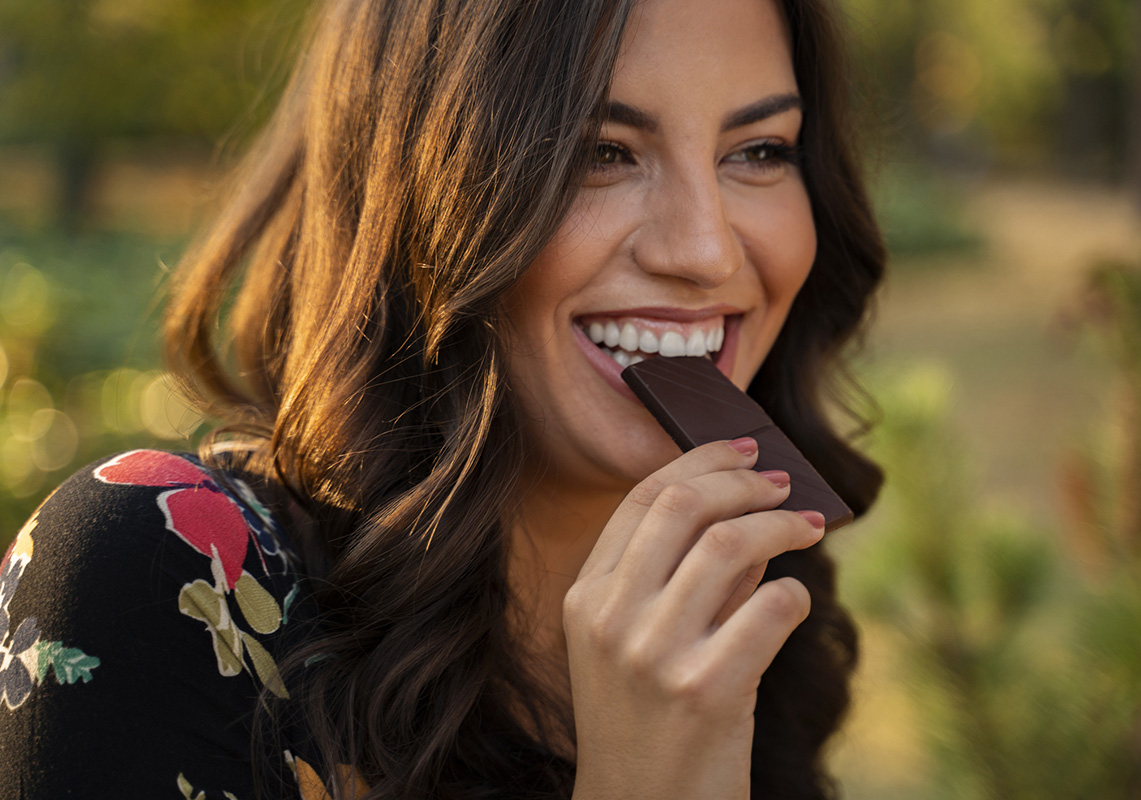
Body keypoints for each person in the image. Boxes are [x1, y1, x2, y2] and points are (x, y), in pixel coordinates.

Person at [0, 0, 885, 796]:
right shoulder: (157, 576)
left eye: (759, 151)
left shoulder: (754, 612)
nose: (704, 251)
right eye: (599, 153)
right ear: (416, 190)